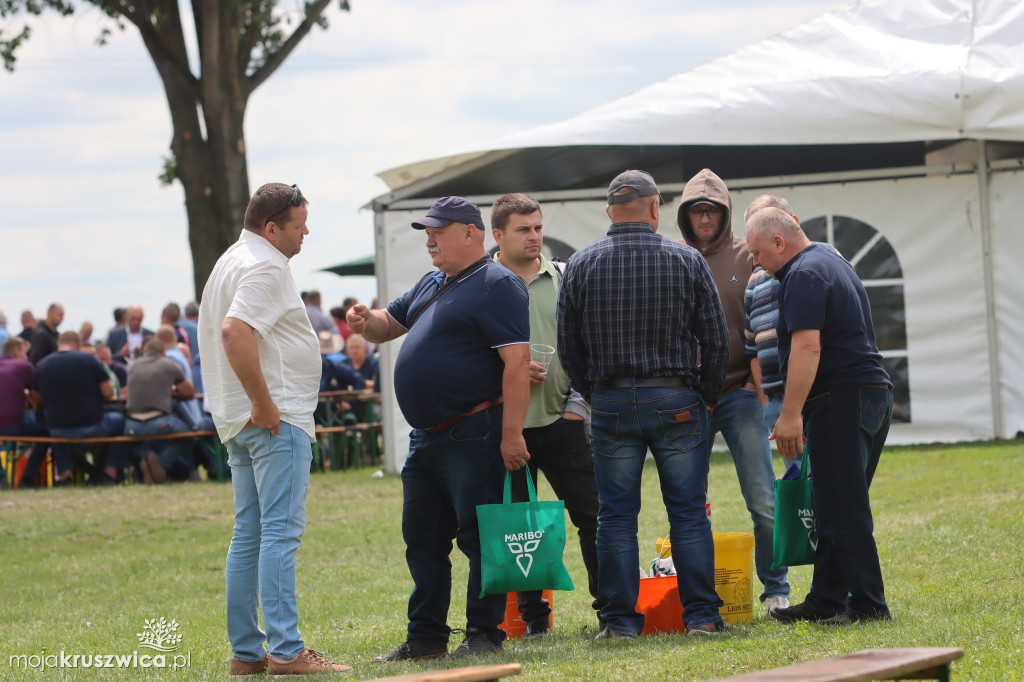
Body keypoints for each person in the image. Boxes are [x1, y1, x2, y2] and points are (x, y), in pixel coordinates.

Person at [349, 195, 531, 661]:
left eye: (438, 230)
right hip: (427, 438)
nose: (429, 239)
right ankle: (426, 638)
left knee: (479, 538)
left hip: (474, 432)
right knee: (423, 541)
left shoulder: (498, 284)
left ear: (471, 233)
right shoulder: (434, 280)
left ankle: (484, 634)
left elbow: (517, 363)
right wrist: (365, 322)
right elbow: (389, 325)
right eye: (426, 232)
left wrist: (512, 434)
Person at [558, 170, 731, 639]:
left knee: (615, 516)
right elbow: (716, 340)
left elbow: (567, 348)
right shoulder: (687, 259)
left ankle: (619, 623)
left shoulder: (580, 264)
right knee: (689, 512)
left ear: (610, 210)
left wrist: (595, 395)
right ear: (656, 208)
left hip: (610, 400)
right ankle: (701, 618)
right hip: (676, 397)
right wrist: (706, 397)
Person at [199, 182, 350, 675]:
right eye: (299, 225)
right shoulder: (264, 264)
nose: (306, 232)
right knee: (279, 535)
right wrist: (264, 403)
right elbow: (234, 330)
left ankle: (247, 653)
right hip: (273, 417)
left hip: (238, 419)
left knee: (250, 534)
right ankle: (287, 651)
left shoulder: (230, 259)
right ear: (271, 228)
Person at [745, 207, 893, 626]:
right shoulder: (829, 256)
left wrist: (789, 415)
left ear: (779, 242)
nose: (755, 263)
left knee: (842, 507)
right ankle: (826, 600)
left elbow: (809, 348)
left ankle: (868, 605)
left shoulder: (802, 275)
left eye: (757, 253)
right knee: (835, 503)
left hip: (840, 397)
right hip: (869, 394)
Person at [677, 169, 790, 613]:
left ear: (724, 212)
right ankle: (702, 596)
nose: (704, 216)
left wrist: (757, 384)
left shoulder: (749, 255)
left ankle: (776, 587)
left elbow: (770, 319)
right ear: (685, 214)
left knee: (763, 499)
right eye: (696, 209)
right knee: (690, 504)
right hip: (690, 398)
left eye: (712, 209)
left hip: (741, 392)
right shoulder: (674, 256)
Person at [490, 192, 603, 636]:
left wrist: (577, 407)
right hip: (506, 428)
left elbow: (583, 344)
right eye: (524, 229)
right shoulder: (481, 282)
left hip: (562, 421)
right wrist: (508, 372)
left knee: (593, 517)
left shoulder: (564, 277)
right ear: (498, 235)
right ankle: (534, 620)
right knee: (519, 528)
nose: (535, 236)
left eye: (537, 227)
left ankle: (610, 611)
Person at [743, 195, 799, 461]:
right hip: (777, 402)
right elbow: (752, 349)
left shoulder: (809, 270)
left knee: (829, 486)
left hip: (812, 400)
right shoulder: (754, 283)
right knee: (799, 484)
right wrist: (768, 405)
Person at [30, 331, 126, 485]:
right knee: (121, 421)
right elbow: (108, 393)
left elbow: (36, 398)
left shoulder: (42, 365)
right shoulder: (89, 360)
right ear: (79, 345)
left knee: (55, 429)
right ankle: (111, 472)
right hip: (93, 425)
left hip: (58, 428)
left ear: (58, 344)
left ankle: (65, 474)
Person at [124, 337, 197, 483]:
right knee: (189, 437)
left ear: (144, 351)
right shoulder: (169, 365)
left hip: (131, 424)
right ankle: (160, 463)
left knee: (131, 441)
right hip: (159, 422)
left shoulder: (132, 366)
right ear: (163, 352)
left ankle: (147, 457)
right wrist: (173, 391)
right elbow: (189, 392)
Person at [0, 337, 50, 487]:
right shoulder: (23, 366)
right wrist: (28, 395)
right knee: (46, 435)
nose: (27, 357)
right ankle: (28, 478)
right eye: (25, 353)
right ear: (16, 351)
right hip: (11, 424)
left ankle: (2, 476)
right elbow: (39, 393)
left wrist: (23, 393)